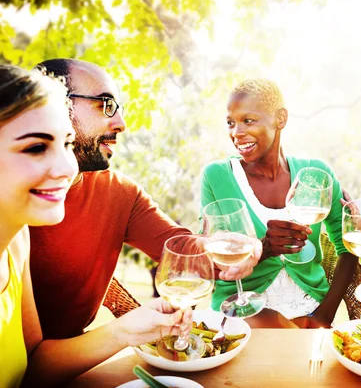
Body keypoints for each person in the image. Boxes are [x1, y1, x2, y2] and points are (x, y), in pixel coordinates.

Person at [28, 59, 254, 340]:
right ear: (54, 105)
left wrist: (219, 246)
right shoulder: (15, 198)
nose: (121, 124)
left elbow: (179, 247)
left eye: (118, 109)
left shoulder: (120, 192)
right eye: (105, 104)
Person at [0, 64, 191, 387]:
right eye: (35, 147)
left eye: (67, 143)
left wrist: (127, 329)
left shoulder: (15, 242)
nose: (65, 167)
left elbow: (31, 368)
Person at [200, 78, 357, 328]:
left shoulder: (315, 174)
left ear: (280, 119)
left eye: (248, 120)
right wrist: (264, 248)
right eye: (231, 123)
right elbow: (214, 261)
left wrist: (324, 316)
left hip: (311, 305)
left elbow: (349, 245)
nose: (236, 133)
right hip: (243, 310)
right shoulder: (216, 176)